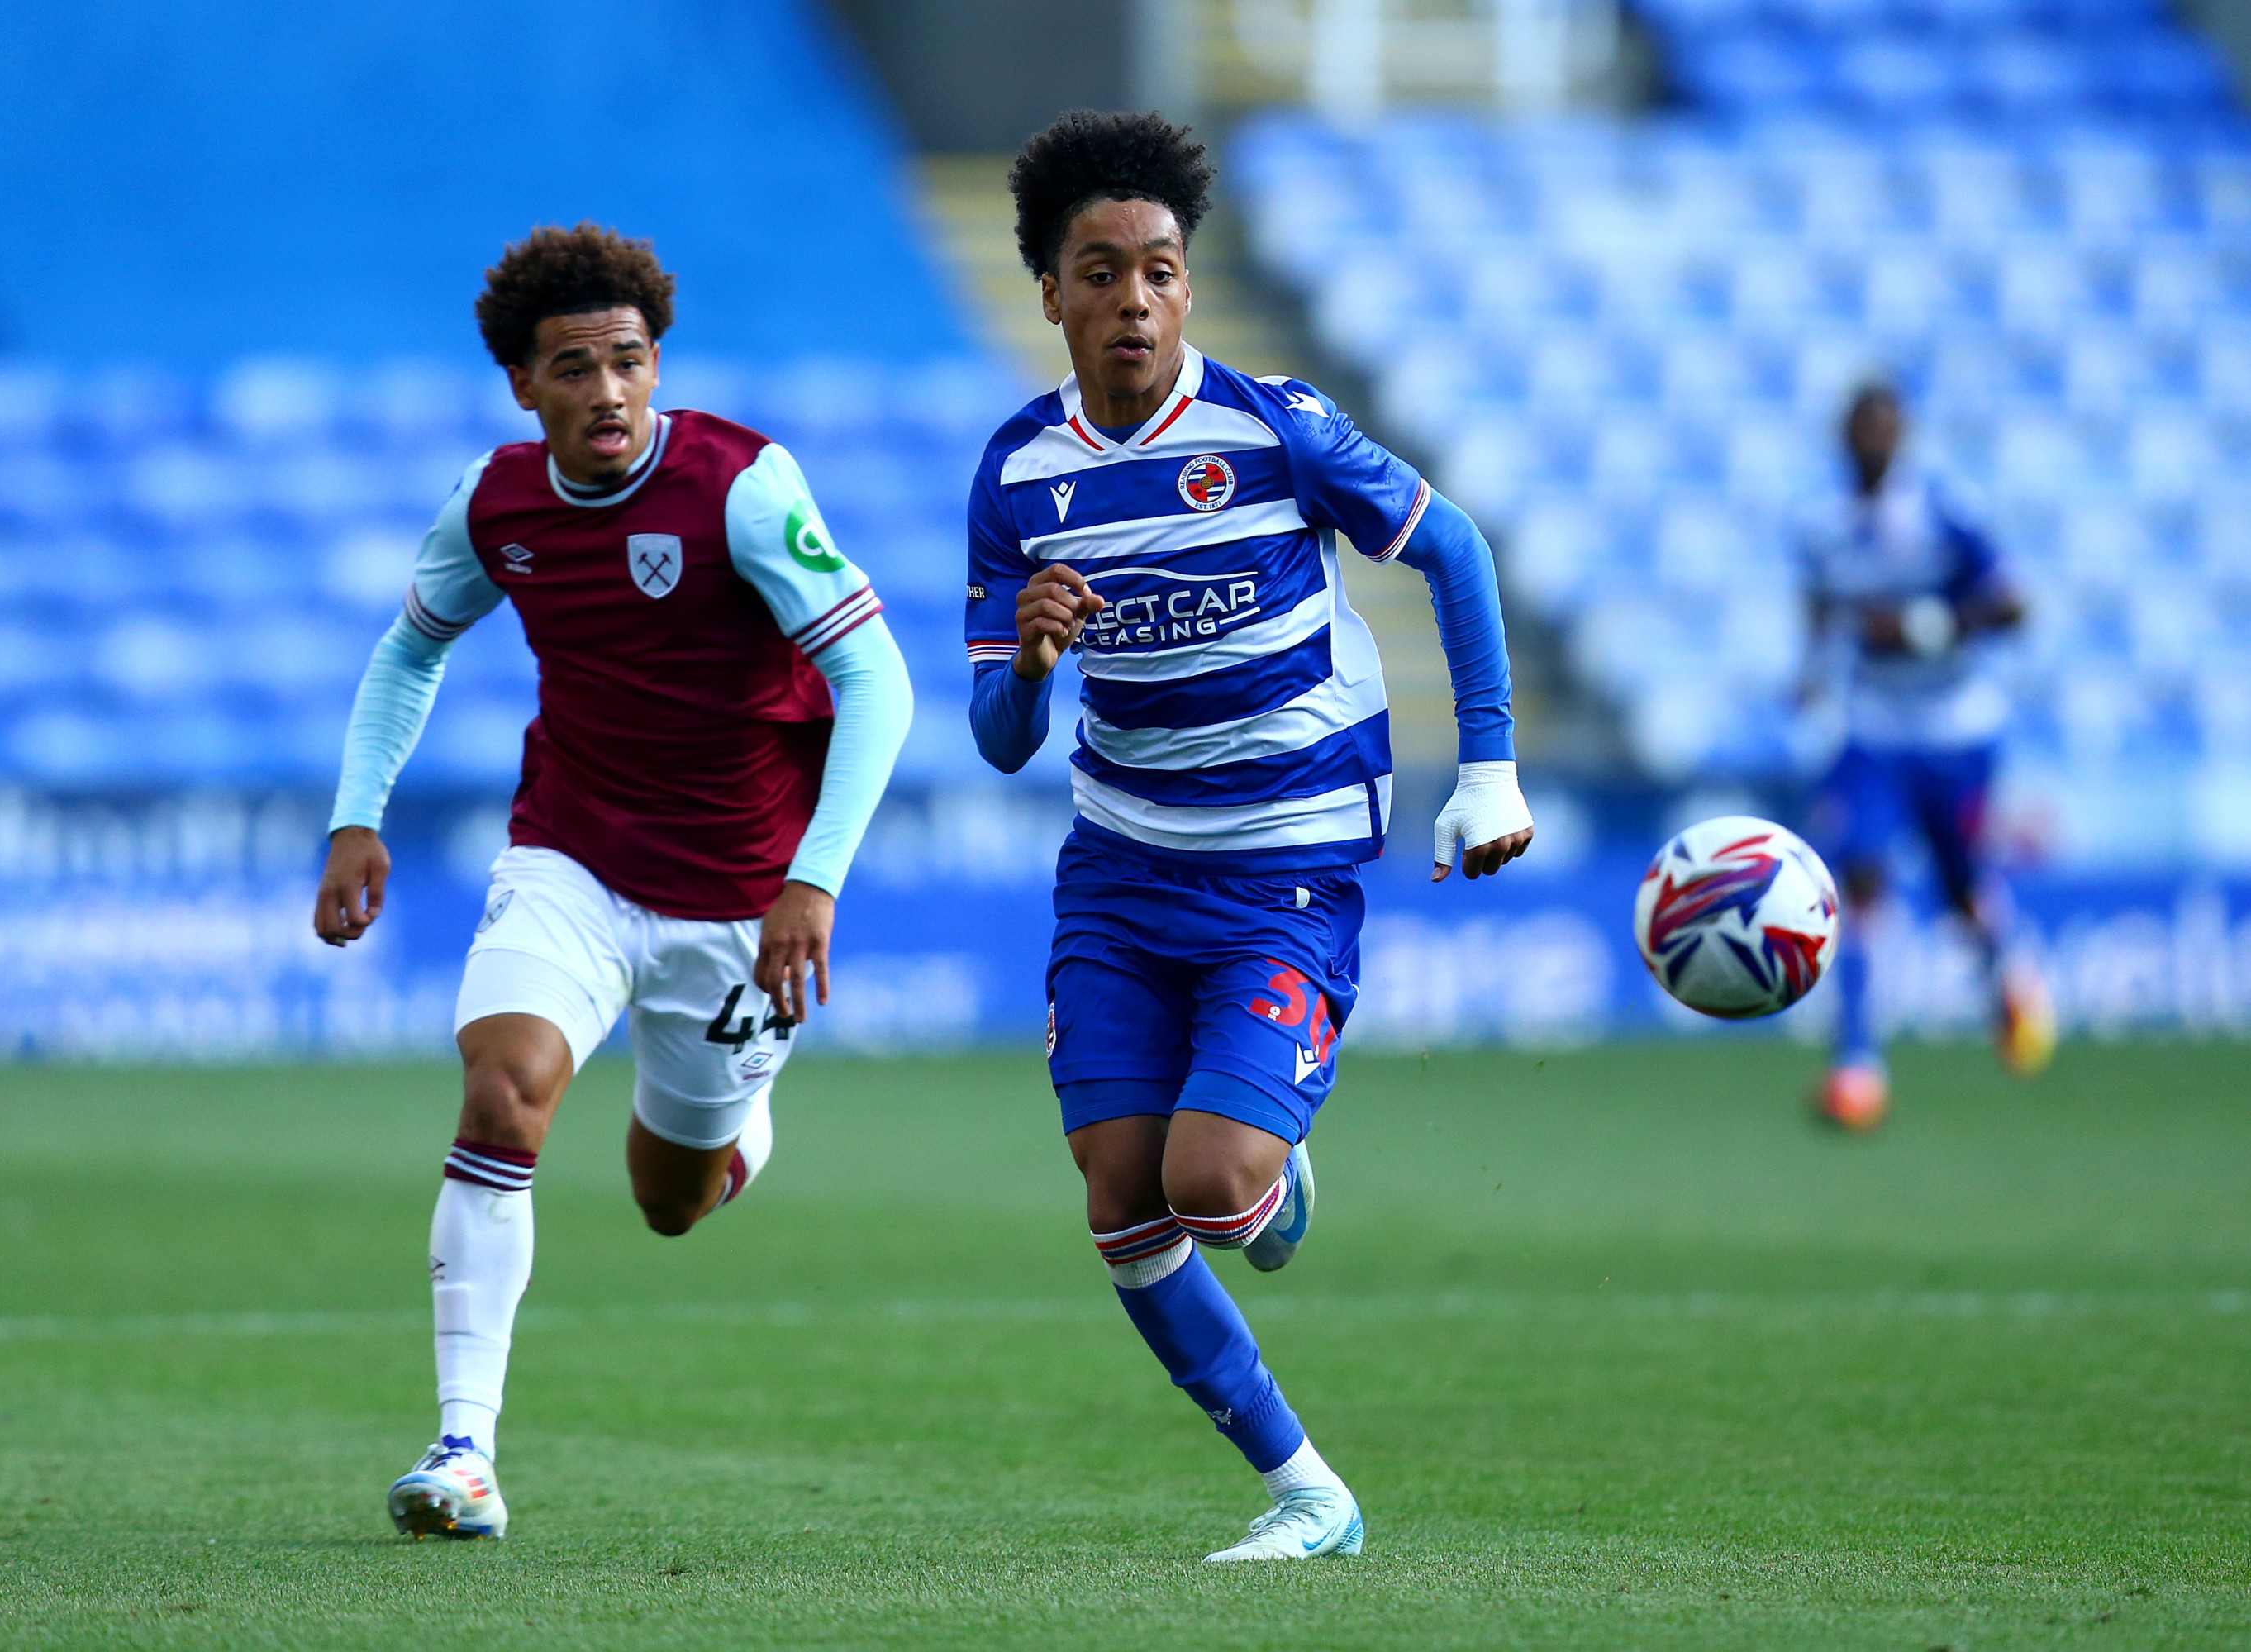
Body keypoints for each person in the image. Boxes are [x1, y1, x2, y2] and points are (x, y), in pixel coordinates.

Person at [965, 112, 1532, 1562]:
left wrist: (1489, 764)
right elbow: (998, 736)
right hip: (1118, 861)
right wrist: (1027, 662)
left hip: (1285, 849)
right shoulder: (1018, 479)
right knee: (1117, 1186)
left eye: (1160, 267)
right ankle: (1308, 1489)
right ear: (1051, 293)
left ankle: (1265, 1168)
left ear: (1187, 285)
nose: (1136, 298)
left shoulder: (1272, 424)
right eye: (1102, 271)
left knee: (1208, 1184)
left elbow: (1451, 545)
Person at [312, 224, 912, 1538]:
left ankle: (738, 1125)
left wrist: (812, 883)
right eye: (571, 368)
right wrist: (358, 814)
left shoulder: (743, 486)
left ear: (658, 364)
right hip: (570, 861)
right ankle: (464, 1451)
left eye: (627, 361)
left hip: (742, 904)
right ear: (524, 389)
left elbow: (877, 678)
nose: (606, 392)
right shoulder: (496, 504)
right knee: (503, 1091)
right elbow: (407, 651)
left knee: (669, 1199)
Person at [1794, 383, 2053, 1132]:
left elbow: (2011, 604)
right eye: (1860, 428)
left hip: (1955, 731)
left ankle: (2007, 978)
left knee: (1960, 890)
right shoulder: (1820, 522)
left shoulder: (1940, 508)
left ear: (1901, 435)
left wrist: (1928, 623)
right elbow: (1819, 602)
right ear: (1844, 437)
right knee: (1860, 876)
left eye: (1884, 428)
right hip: (1873, 727)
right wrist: (1810, 672)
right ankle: (1855, 1063)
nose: (1872, 441)